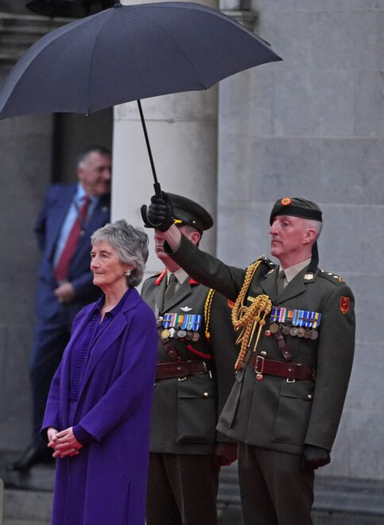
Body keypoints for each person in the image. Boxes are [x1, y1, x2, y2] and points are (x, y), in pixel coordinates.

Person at [146, 194, 356, 525]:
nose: (274, 229)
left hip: (291, 427)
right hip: (251, 423)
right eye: (273, 222)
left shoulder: (330, 294)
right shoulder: (259, 280)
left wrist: (319, 439)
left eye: (285, 224)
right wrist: (169, 230)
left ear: (309, 235)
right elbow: (207, 268)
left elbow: (334, 374)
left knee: (291, 516)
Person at [42, 220, 157, 525]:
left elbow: (129, 388)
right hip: (72, 445)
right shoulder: (84, 315)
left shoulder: (140, 318)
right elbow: (60, 377)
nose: (93, 263)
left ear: (129, 265)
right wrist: (53, 425)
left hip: (112, 447)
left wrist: (84, 432)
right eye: (93, 255)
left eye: (104, 255)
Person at [11, 145, 112, 473]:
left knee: (82, 375)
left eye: (109, 170)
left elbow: (113, 256)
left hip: (83, 302)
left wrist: (78, 284)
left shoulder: (109, 209)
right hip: (50, 299)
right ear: (82, 172)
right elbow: (42, 230)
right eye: (100, 170)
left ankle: (76, 443)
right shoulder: (58, 195)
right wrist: (53, 273)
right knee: (41, 368)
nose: (106, 177)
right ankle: (41, 442)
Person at [140, 193, 238, 525]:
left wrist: (226, 433)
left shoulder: (211, 292)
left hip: (193, 424)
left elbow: (228, 365)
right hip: (153, 421)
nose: (158, 236)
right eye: (155, 229)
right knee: (156, 515)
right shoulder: (149, 288)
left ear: (191, 239)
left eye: (167, 229)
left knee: (195, 515)